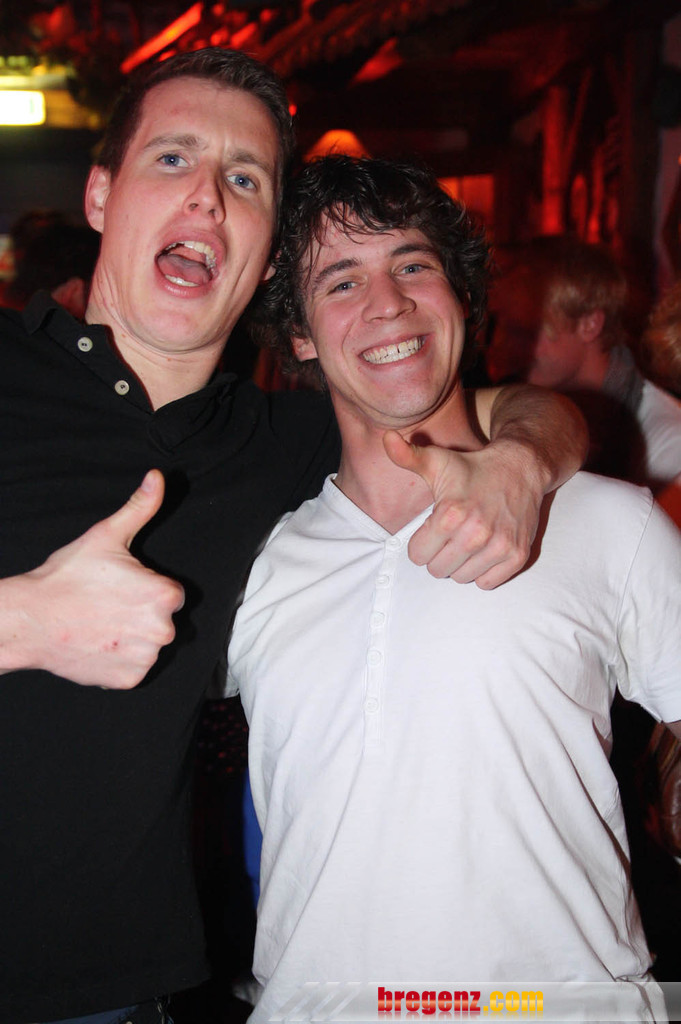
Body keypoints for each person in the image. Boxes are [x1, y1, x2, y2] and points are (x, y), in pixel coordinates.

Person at [0, 49, 586, 1024]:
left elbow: (519, 407)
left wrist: (522, 461)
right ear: (101, 195)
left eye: (244, 179)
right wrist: (22, 621)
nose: (207, 197)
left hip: (119, 989)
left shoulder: (283, 443)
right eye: (173, 159)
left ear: (269, 253)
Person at [226, 155, 681, 1023]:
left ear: (462, 297)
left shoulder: (606, 523)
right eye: (340, 281)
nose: (387, 303)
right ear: (298, 335)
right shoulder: (259, 564)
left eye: (412, 264)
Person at [487, 235, 681, 502]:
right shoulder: (512, 403)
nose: (503, 346)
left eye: (526, 333)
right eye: (502, 327)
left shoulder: (668, 447)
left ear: (590, 325)